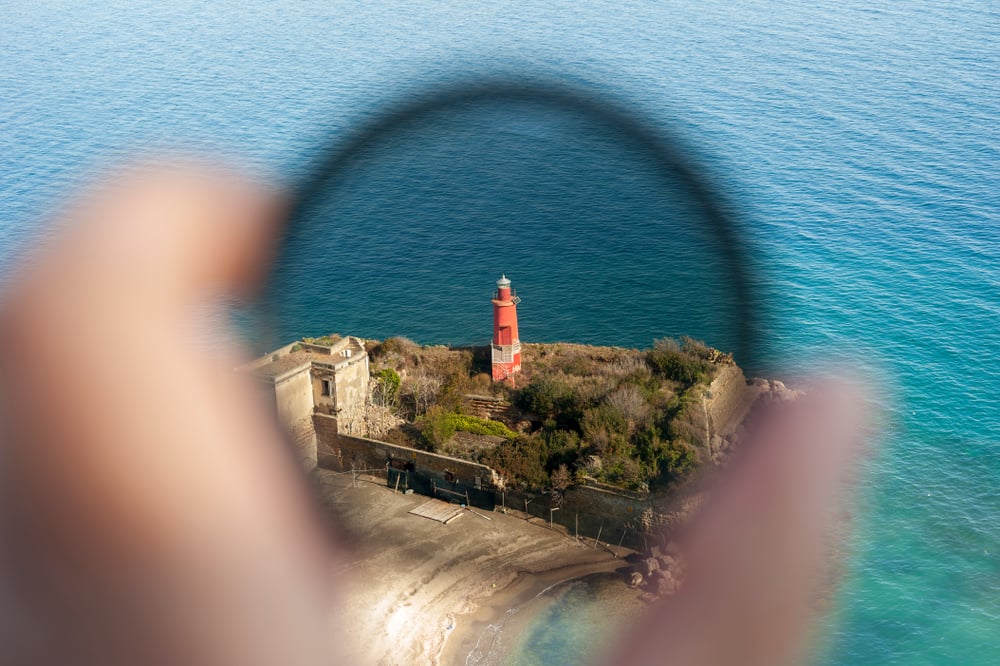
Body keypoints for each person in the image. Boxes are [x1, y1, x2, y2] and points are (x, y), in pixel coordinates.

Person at [0, 161, 864, 665]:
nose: (502, 307)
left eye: (504, 304)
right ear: (504, 308)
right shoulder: (484, 345)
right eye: (502, 305)